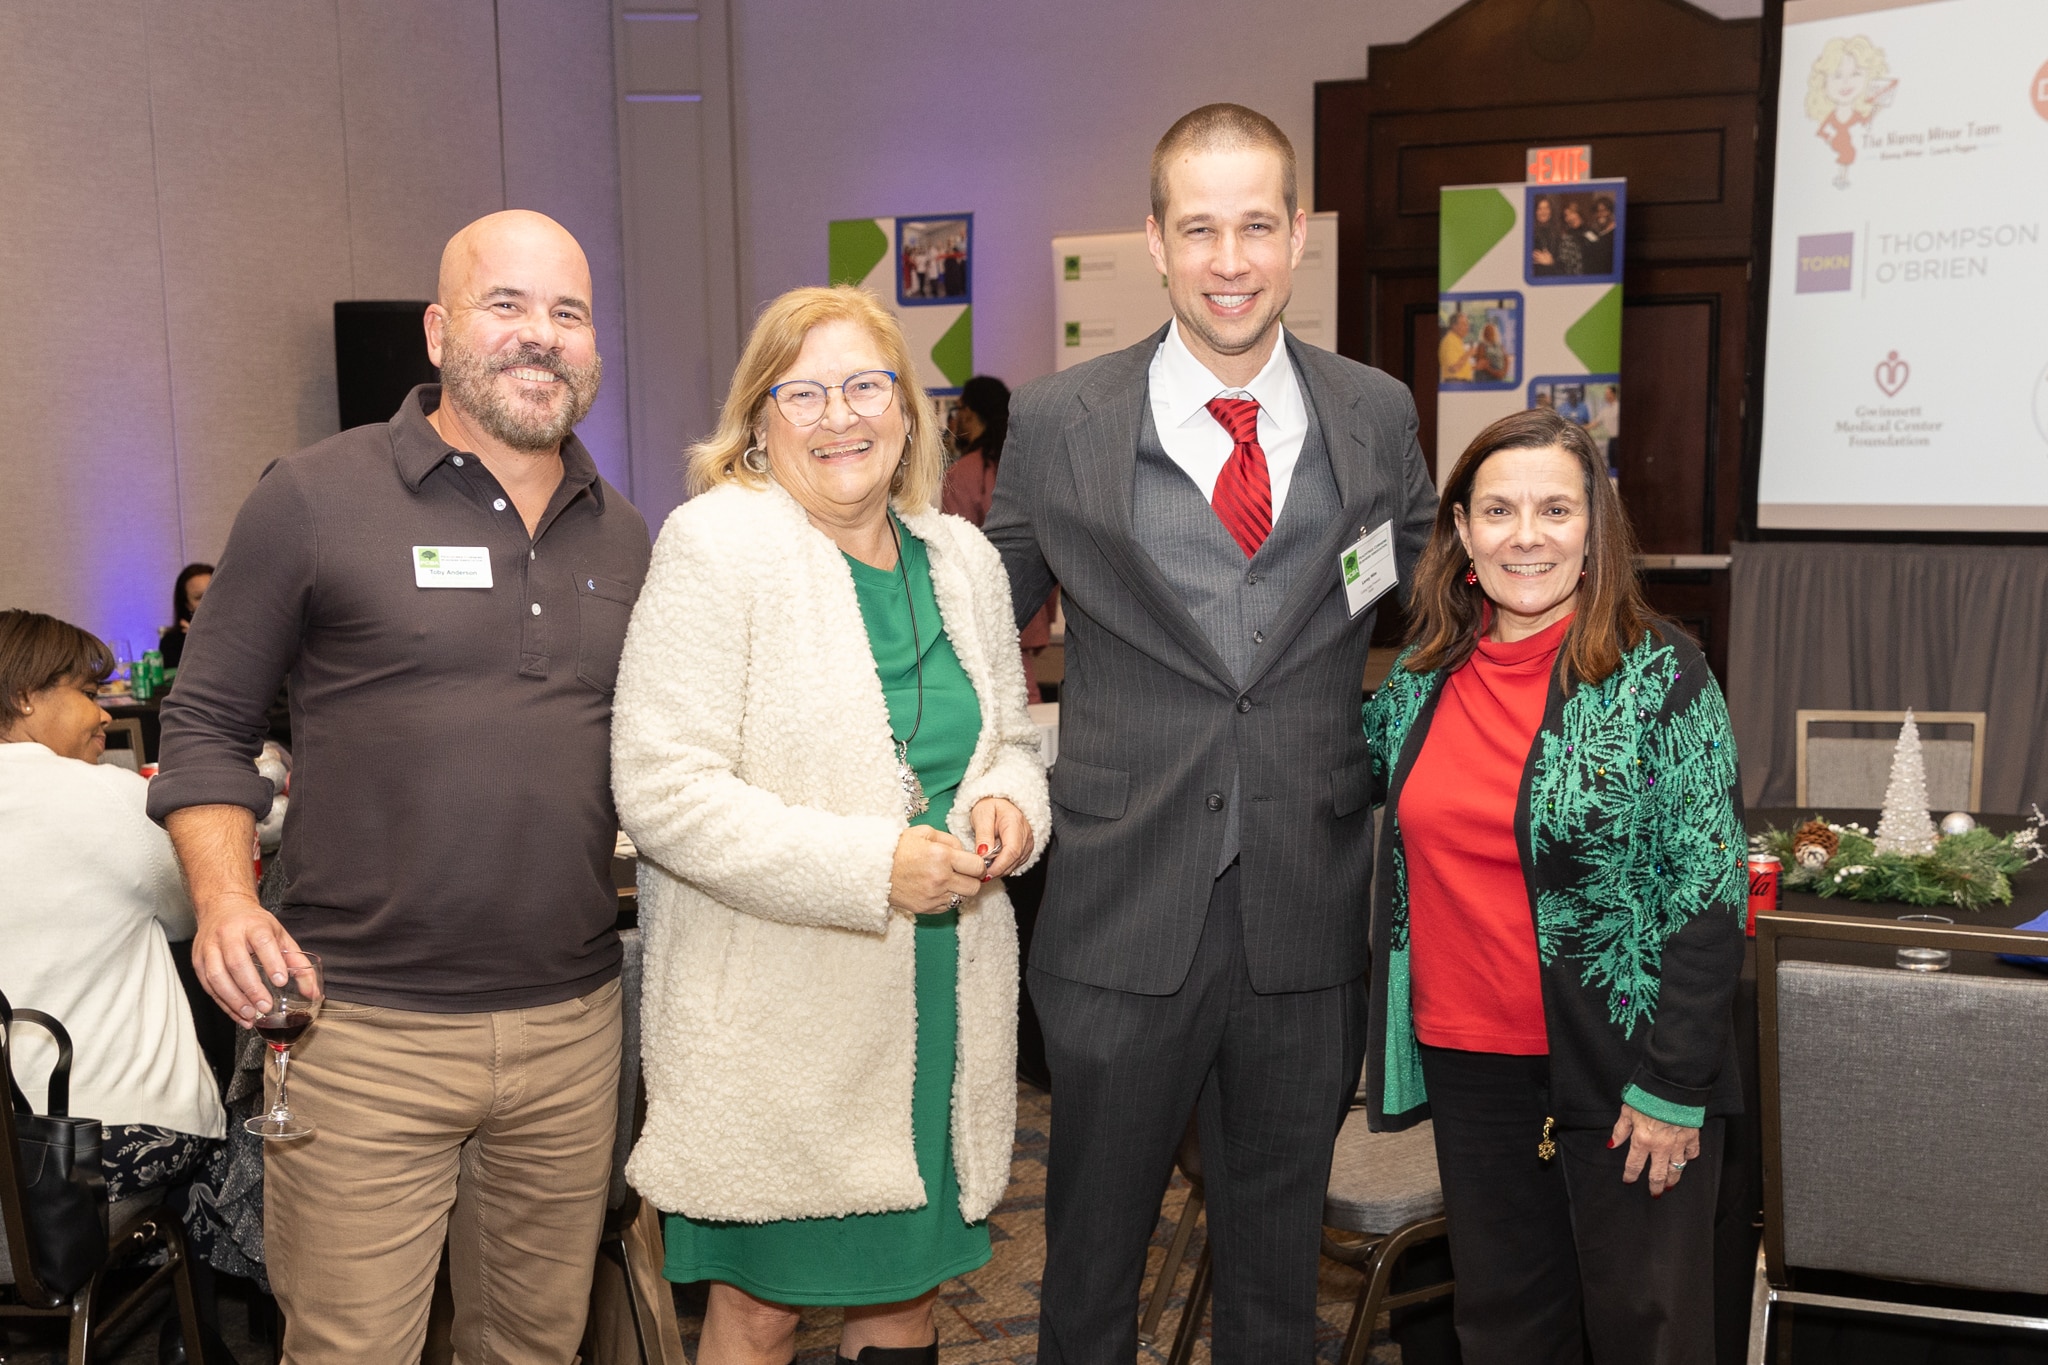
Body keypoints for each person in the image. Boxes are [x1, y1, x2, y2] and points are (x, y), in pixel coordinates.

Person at [148, 209, 651, 1363]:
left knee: (532, 1347)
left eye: (567, 313)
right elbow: (209, 721)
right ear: (438, 331)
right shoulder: (313, 496)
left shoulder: (624, 536)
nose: (540, 336)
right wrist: (226, 902)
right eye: (505, 305)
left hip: (571, 1029)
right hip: (361, 1029)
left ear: (593, 348)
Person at [983, 103, 1438, 1362]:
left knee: (1274, 1275)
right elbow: (975, 624)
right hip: (1121, 909)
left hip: (1304, 902)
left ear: (1297, 235)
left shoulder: (1374, 413)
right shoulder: (1062, 419)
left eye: (1253, 225)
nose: (1227, 258)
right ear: (1153, 239)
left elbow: (1437, 609)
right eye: (1198, 229)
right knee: (1086, 1264)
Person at [613, 284, 1048, 1365]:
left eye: (865, 386)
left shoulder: (961, 559)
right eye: (801, 393)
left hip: (942, 995)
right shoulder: (716, 549)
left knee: (908, 1296)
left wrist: (1009, 806)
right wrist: (871, 868)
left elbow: (1010, 742)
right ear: (757, 420)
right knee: (760, 1310)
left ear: (908, 410)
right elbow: (662, 790)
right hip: (781, 1016)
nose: (838, 417)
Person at [1359, 408, 1744, 1364]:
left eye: (1554, 509)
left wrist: (1675, 1085)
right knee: (1505, 1328)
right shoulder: (1421, 674)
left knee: (1644, 1331)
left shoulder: (1664, 674)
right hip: (1470, 1060)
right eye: (1497, 509)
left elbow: (1709, 889)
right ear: (1460, 531)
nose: (1524, 534)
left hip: (1627, 1067)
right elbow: (1333, 784)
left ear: (1593, 529)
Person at [0, 610, 226, 1208]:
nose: (105, 713)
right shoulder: (107, 794)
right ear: (24, 697)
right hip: (97, 1138)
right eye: (89, 692)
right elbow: (191, 915)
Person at [945, 375, 1056, 703]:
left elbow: (955, 559)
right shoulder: (1025, 468)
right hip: (1027, 614)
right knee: (1026, 701)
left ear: (970, 413)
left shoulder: (962, 476)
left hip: (981, 623)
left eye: (960, 408)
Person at [159, 562, 214, 672]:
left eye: (212, 593)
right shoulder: (172, 641)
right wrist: (197, 640)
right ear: (188, 605)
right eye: (199, 597)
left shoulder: (242, 631)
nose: (208, 601)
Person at [1438, 309, 1476, 383]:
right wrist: (1468, 354)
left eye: (1467, 324)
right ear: (1454, 326)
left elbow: (1461, 366)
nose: (1467, 327)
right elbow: (1453, 368)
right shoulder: (1450, 341)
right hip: (1456, 383)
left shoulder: (1457, 340)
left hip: (1461, 383)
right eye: (1464, 324)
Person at [1584, 195, 1617, 275]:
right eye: (1597, 211)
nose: (1600, 214)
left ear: (1610, 211)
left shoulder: (1616, 233)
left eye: (1604, 210)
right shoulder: (1596, 233)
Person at [1530, 194, 1561, 275]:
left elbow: (1563, 262)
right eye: (1539, 209)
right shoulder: (1529, 234)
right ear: (1535, 211)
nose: (1543, 212)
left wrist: (1551, 262)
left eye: (1546, 208)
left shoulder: (1558, 233)